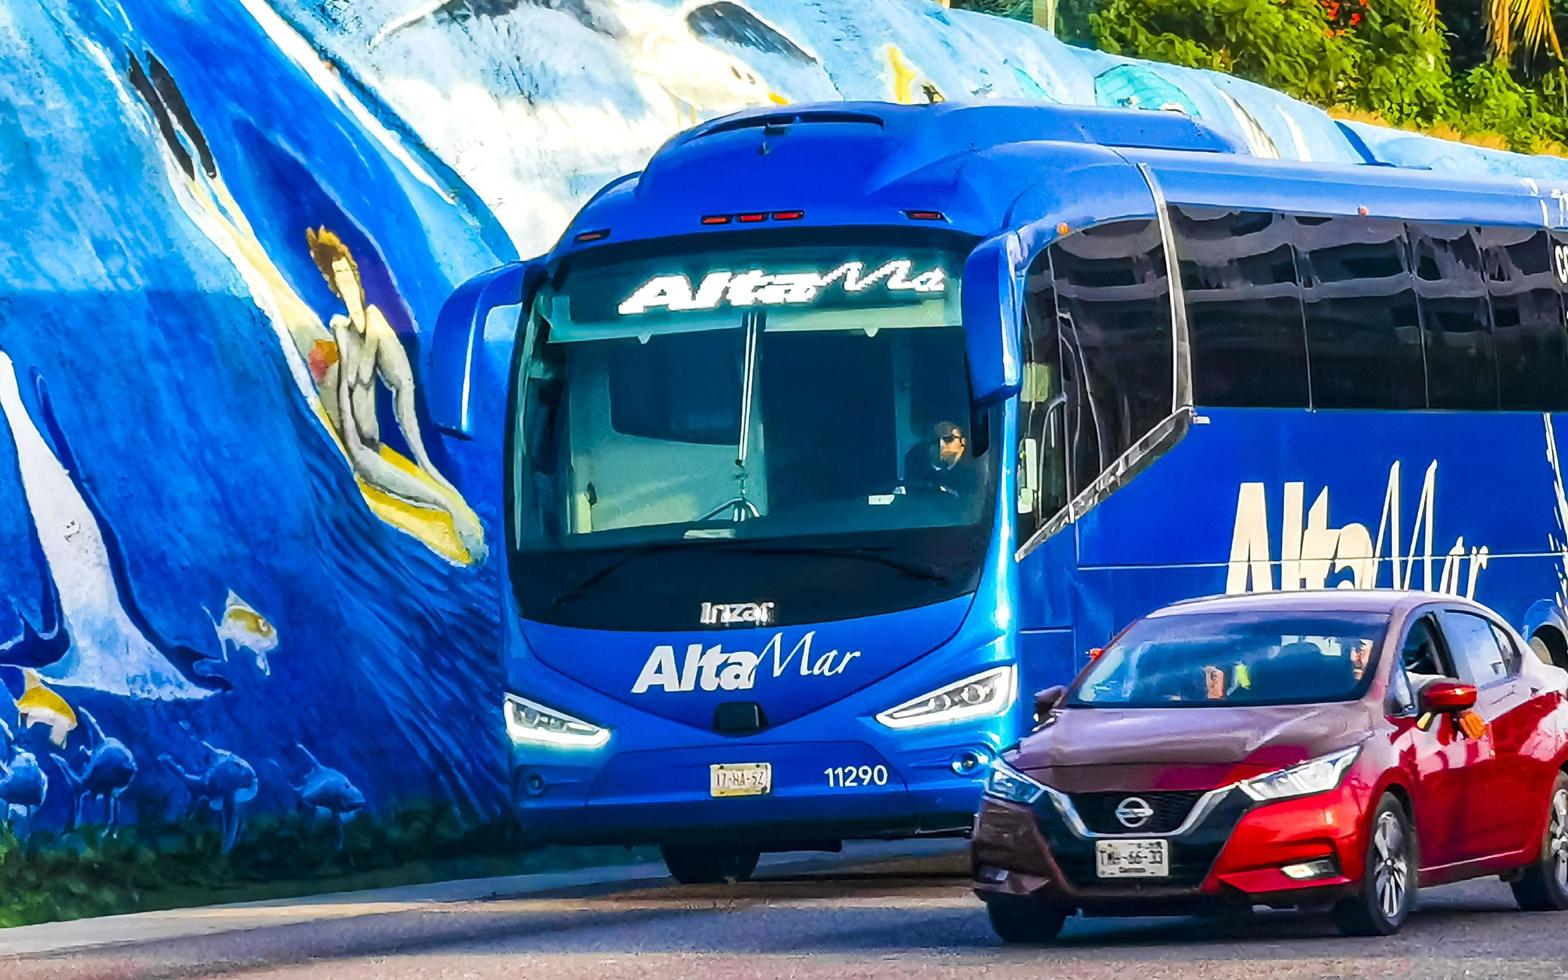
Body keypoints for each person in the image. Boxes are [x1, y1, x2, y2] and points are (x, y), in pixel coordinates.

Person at [307, 227, 485, 558]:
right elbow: (347, 408)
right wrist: (350, 453)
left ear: (356, 277)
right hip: (362, 452)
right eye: (338, 276)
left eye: (348, 272)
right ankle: (453, 512)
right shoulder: (342, 332)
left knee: (438, 484)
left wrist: (423, 460)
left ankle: (454, 508)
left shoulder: (374, 325)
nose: (346, 281)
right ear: (332, 283)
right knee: (442, 501)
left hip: (377, 442)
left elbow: (402, 384)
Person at [904, 420, 980, 498]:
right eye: (934, 440)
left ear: (963, 442)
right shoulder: (916, 465)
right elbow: (914, 497)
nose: (941, 445)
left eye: (949, 439)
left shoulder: (976, 467)